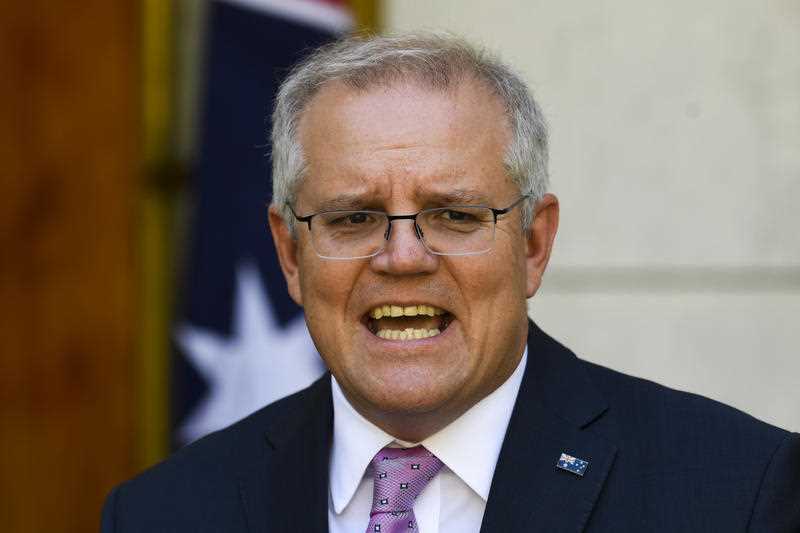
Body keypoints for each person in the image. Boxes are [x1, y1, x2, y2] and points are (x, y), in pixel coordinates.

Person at [101, 32, 800, 532]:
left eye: (455, 214)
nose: (403, 256)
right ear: (289, 253)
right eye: (353, 217)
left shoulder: (736, 490)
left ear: (533, 241)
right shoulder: (165, 512)